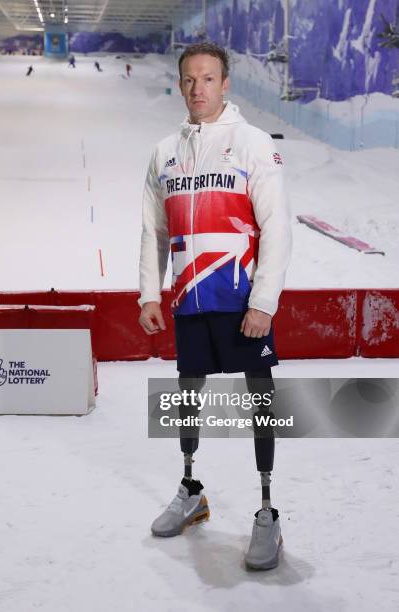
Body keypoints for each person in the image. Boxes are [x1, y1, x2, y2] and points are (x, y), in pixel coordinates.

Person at [138, 42, 292, 570]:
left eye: (207, 79)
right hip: (189, 302)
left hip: (242, 301)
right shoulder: (165, 153)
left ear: (226, 84)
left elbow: (277, 228)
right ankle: (191, 491)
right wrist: (149, 293)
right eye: (188, 80)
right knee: (187, 398)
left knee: (260, 402)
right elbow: (154, 232)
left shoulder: (252, 145)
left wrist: (264, 302)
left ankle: (268, 512)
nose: (197, 88)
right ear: (180, 85)